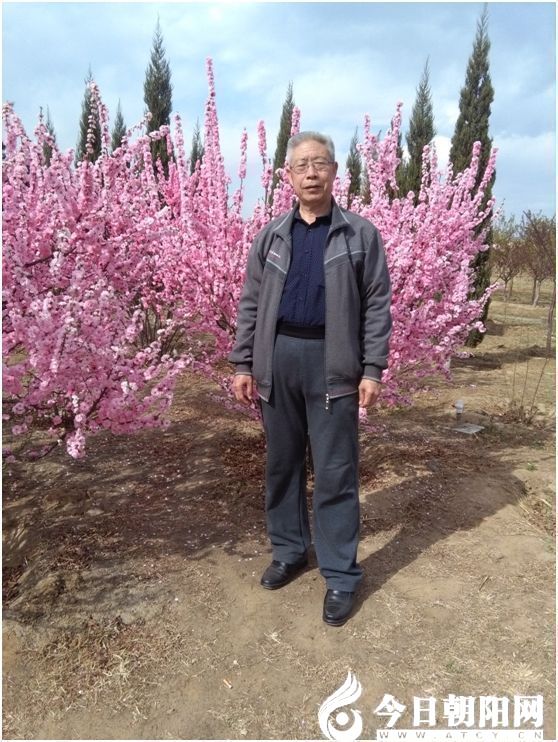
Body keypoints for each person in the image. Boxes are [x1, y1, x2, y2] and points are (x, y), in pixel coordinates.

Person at [229, 131, 392, 626]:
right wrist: (243, 363)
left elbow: (377, 305)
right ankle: (290, 550)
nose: (311, 173)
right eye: (302, 166)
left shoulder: (359, 234)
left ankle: (341, 574)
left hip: (333, 363)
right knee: (281, 465)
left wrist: (372, 368)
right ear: (289, 176)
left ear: (335, 172)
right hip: (278, 359)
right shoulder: (272, 236)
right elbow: (251, 303)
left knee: (335, 471)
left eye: (320, 164)